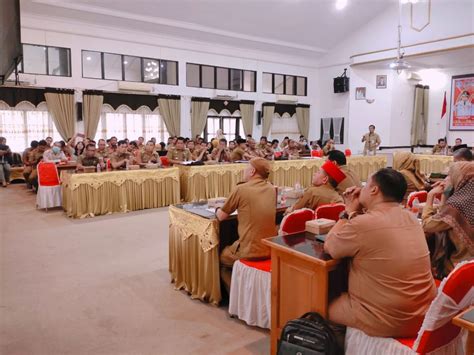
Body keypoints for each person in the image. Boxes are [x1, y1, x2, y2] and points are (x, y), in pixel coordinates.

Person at [324, 168, 437, 339]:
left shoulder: (364, 224)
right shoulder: (411, 218)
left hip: (387, 319)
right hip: (422, 314)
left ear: (374, 190)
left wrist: (347, 211)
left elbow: (331, 246)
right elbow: (373, 229)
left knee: (317, 300)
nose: (361, 189)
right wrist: (359, 210)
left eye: (365, 185)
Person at [216, 158, 277, 290]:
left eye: (246, 166)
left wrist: (217, 209)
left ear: (252, 171)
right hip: (270, 248)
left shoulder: (241, 189)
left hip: (250, 251)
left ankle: (237, 298)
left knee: (222, 258)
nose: (244, 169)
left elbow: (221, 216)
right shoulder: (272, 188)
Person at [422, 161, 474, 279]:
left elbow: (427, 225)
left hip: (458, 271)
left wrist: (430, 196)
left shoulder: (457, 206)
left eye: (450, 175)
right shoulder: (467, 199)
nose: (446, 179)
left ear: (460, 179)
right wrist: (446, 195)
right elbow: (444, 219)